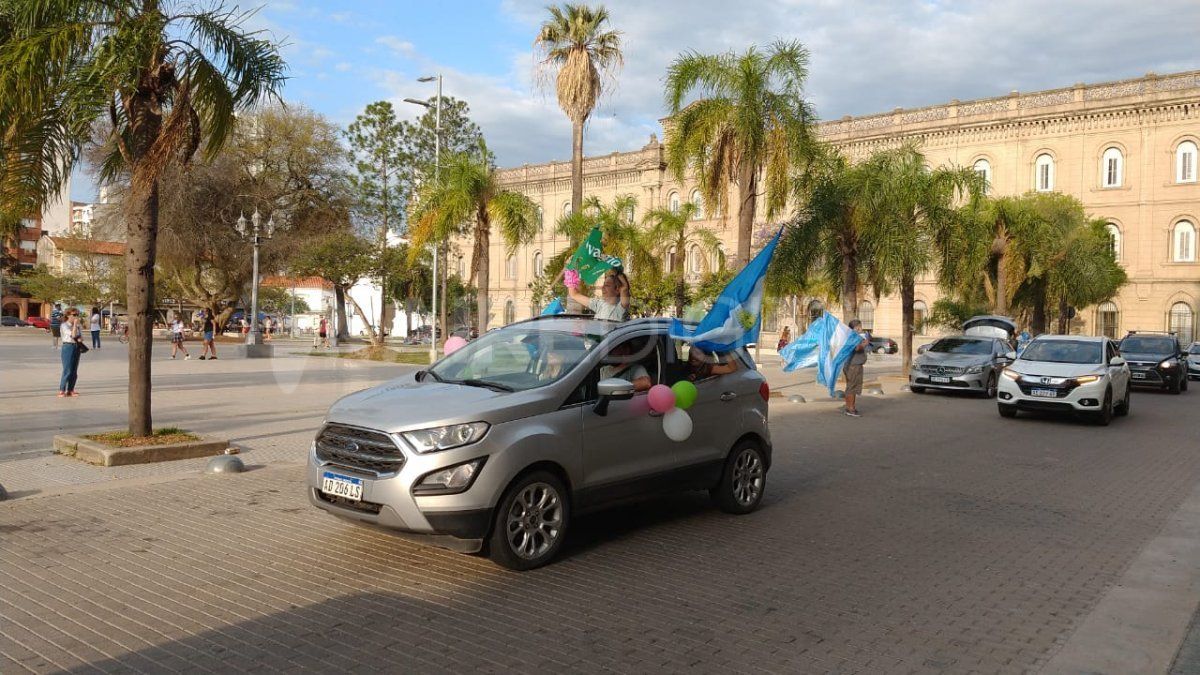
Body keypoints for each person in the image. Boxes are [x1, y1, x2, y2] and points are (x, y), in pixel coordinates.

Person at [563, 267, 630, 322]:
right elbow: (574, 295)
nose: (602, 288)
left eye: (607, 285)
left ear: (618, 289)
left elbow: (625, 290)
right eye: (603, 284)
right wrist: (571, 270)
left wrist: (623, 283)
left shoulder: (621, 309)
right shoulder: (599, 304)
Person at [843, 319, 869, 417]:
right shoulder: (852, 337)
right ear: (856, 327)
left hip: (854, 365)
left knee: (851, 387)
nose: (861, 328)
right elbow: (857, 348)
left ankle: (850, 407)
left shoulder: (854, 336)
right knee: (852, 387)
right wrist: (865, 343)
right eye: (860, 326)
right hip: (853, 366)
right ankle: (850, 409)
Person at [58, 308, 83, 397]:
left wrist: (80, 338)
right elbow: (72, 335)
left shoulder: (78, 326)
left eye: (77, 315)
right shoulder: (64, 325)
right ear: (68, 315)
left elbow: (80, 337)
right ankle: (62, 390)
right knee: (67, 369)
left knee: (74, 370)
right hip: (68, 346)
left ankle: (71, 389)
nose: (76, 317)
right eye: (74, 315)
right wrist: (75, 325)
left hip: (76, 347)